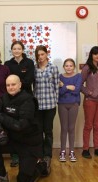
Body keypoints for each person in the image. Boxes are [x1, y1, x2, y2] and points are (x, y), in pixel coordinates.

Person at [0, 75, 47, 182]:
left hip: (29, 143)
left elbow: (20, 126)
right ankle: (2, 176)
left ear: (20, 85)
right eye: (8, 85)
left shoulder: (28, 100)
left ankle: (42, 165)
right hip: (12, 139)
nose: (10, 87)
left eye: (13, 84)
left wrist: (1, 117)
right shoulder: (4, 98)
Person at [4, 40, 34, 167]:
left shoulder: (29, 62)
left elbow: (29, 81)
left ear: (22, 50)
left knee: (25, 126)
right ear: (12, 50)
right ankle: (14, 156)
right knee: (12, 127)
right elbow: (8, 82)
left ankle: (25, 154)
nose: (16, 51)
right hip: (12, 99)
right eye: (14, 49)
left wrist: (16, 83)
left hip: (26, 99)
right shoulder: (7, 64)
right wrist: (15, 85)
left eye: (19, 48)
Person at [33, 45, 59, 173]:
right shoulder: (34, 69)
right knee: (38, 131)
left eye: (42, 54)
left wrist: (56, 101)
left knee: (48, 130)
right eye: (38, 55)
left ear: (46, 54)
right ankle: (39, 154)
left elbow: (56, 86)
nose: (40, 57)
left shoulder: (53, 68)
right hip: (38, 105)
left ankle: (47, 155)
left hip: (50, 105)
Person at [58, 58, 82, 162]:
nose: (69, 67)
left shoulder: (78, 76)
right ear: (63, 67)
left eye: (71, 65)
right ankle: (62, 151)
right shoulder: (60, 77)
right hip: (62, 104)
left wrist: (64, 86)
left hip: (74, 104)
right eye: (66, 65)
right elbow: (60, 92)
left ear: (74, 67)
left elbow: (77, 90)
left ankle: (71, 151)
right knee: (64, 128)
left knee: (71, 128)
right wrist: (69, 87)